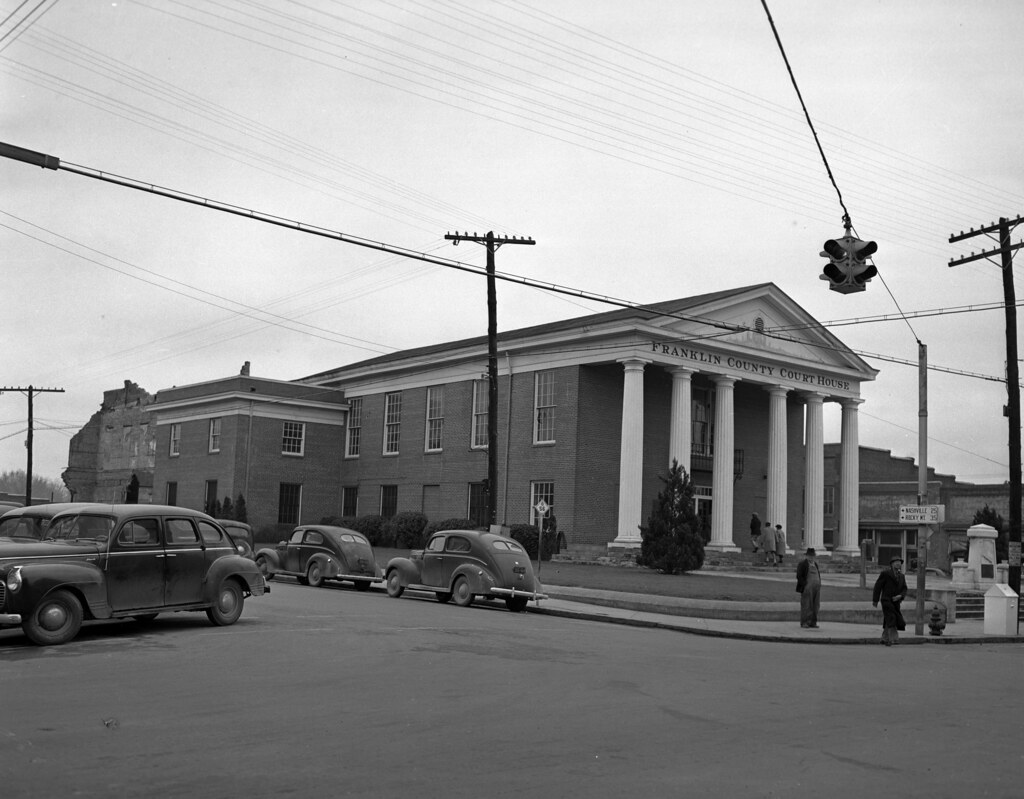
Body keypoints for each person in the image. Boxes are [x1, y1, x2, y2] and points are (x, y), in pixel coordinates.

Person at [872, 556, 908, 646]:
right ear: (892, 564)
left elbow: (904, 588)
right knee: (892, 618)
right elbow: (878, 587)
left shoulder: (902, 576)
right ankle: (893, 639)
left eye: (899, 562)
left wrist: (900, 596)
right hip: (886, 600)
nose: (898, 564)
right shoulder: (885, 574)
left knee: (889, 619)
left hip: (896, 602)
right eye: (896, 562)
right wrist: (875, 600)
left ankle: (884, 638)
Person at [795, 547, 821, 628]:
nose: (811, 557)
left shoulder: (815, 564)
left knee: (815, 606)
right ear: (806, 556)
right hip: (807, 588)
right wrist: (805, 585)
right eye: (810, 556)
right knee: (806, 605)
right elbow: (799, 576)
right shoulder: (803, 564)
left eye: (812, 556)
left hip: (816, 589)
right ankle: (804, 622)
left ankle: (813, 622)